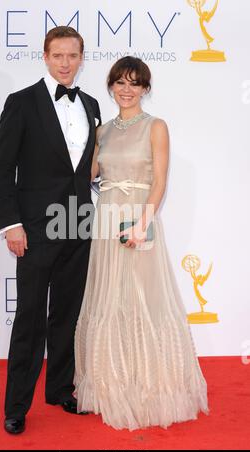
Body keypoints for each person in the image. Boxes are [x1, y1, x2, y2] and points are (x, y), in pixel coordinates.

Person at [74, 56, 209, 431]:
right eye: (120, 82)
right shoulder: (102, 132)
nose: (127, 89)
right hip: (106, 220)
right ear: (111, 87)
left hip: (139, 218)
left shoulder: (156, 127)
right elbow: (90, 174)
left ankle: (151, 388)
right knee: (110, 299)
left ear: (145, 89)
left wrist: (141, 225)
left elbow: (160, 182)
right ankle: (110, 385)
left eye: (135, 83)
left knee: (143, 299)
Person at [0, 26, 101, 434]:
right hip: (35, 228)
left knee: (68, 314)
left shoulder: (91, 105)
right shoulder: (21, 103)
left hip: (79, 223)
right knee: (31, 317)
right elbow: (2, 168)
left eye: (73, 56)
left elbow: (86, 170)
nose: (66, 63)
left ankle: (59, 389)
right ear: (45, 56)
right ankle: (17, 405)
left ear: (81, 58)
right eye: (58, 55)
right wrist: (12, 224)